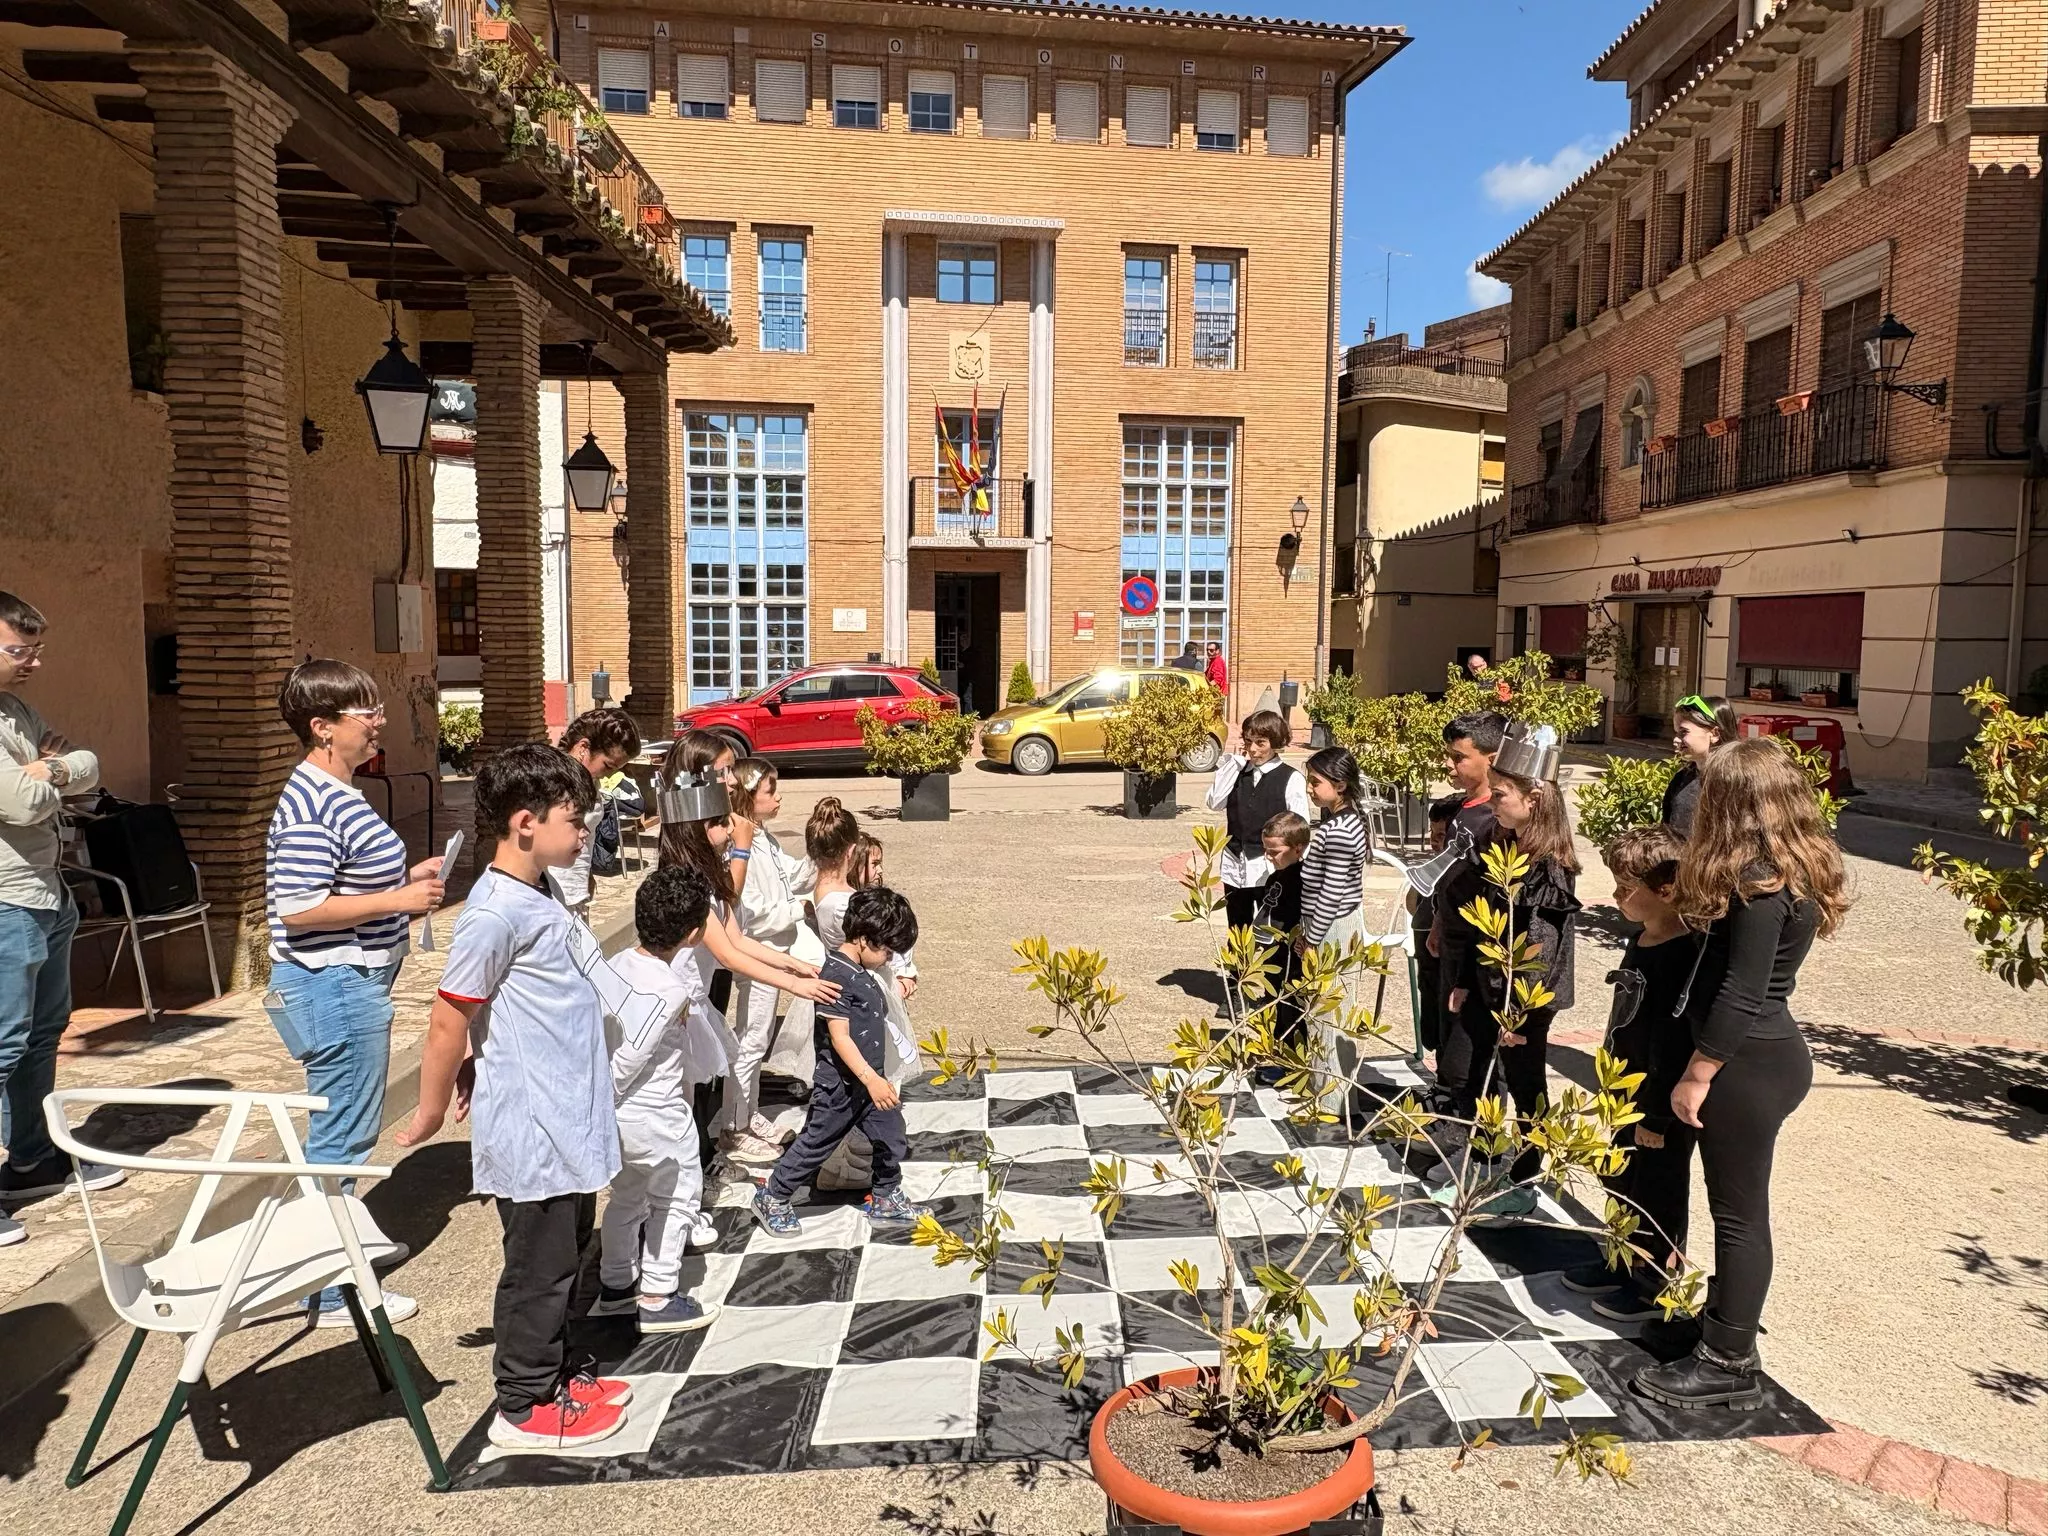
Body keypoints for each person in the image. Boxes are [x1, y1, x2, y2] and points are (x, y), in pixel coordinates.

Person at [397, 743, 630, 1451]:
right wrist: (431, 1107)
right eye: (573, 817)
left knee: (569, 1248)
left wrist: (476, 1055)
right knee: (539, 1265)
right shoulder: (493, 913)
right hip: (533, 1126)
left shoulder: (541, 891)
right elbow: (448, 1015)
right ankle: (525, 1401)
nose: (584, 830)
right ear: (525, 823)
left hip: (566, 1110)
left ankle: (557, 1369)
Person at [1633, 737, 1848, 1410]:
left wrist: (1698, 1073)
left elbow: (1743, 992)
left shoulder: (1763, 882)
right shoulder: (1788, 869)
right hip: (1758, 1056)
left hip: (1746, 1061)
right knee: (1735, 1208)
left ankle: (1729, 1358)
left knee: (1738, 1215)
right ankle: (1718, 1330)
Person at [264, 659, 443, 1322]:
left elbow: (342, 886)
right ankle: (326, 1287)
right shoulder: (314, 801)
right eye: (363, 712)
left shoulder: (336, 790)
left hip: (345, 980)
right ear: (321, 726)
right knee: (341, 1138)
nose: (378, 721)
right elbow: (300, 907)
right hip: (333, 984)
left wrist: (405, 884)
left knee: (342, 1132)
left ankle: (337, 1254)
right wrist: (399, 896)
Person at [0, 591, 121, 1248]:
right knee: (1, 1044)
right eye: (21, 651)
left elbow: (87, 768)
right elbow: (19, 803)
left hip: (48, 892)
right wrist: (51, 772)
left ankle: (31, 1159)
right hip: (4, 900)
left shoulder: (16, 711)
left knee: (42, 1035)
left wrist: (51, 765)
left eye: (36, 650)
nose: (35, 664)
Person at [1430, 723, 1579, 1221]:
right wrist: (1462, 983)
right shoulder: (1500, 841)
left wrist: (1519, 1012)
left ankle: (1527, 1172)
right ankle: (1486, 1161)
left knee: (1524, 1084)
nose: (1492, 802)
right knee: (1475, 1073)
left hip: (1523, 1001)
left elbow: (1542, 947)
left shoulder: (1548, 865)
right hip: (1486, 984)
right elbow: (1477, 920)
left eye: (1501, 795)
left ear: (1534, 798)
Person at [656, 766, 838, 1167]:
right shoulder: (691, 884)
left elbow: (738, 939)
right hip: (670, 1005)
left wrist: (792, 965)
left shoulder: (711, 878)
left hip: (690, 1002)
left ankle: (693, 1177)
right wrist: (795, 984)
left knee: (685, 1097)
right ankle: (723, 1140)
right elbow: (728, 954)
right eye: (720, 823)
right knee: (673, 1100)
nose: (731, 827)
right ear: (698, 832)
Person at [1564, 825, 1699, 1321]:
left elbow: (1674, 1039)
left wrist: (1659, 1116)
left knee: (1657, 1189)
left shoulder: (1684, 953)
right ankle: (1622, 1259)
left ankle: (1654, 1282)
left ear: (1666, 890)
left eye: (1626, 888)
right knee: (1620, 1178)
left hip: (1657, 1098)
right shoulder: (1642, 937)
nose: (1617, 896)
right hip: (1625, 1087)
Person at [591, 864, 725, 1335]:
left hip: (624, 1120)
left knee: (626, 1197)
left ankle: (614, 1284)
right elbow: (632, 1055)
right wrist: (605, 1095)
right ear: (692, 935)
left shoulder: (618, 963)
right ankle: (658, 1292)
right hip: (656, 1113)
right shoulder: (669, 990)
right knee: (677, 1197)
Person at [754, 887, 926, 1238]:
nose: (890, 958)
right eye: (886, 949)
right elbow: (840, 1037)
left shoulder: (861, 971)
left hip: (869, 1081)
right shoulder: (837, 975)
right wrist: (870, 1078)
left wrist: (876, 1078)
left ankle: (886, 1195)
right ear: (863, 939)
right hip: (842, 1086)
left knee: (892, 1135)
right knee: (817, 1143)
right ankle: (774, 1195)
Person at [724, 758, 815, 1155]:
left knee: (757, 1038)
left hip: (776, 952)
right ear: (749, 797)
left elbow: (792, 876)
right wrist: (801, 909)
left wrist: (821, 851)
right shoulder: (742, 845)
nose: (777, 798)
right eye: (769, 791)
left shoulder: (764, 837)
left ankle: (747, 1111)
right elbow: (753, 911)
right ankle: (734, 1125)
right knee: (751, 1039)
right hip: (760, 954)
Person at [1428, 712, 1507, 1112]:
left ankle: (1476, 1132)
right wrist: (1440, 922)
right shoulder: (1463, 809)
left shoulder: (1497, 818)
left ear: (1490, 758)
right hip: (1452, 940)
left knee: (1472, 1043)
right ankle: (1449, 1107)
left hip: (1479, 952)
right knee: (1447, 1032)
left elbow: (1494, 897)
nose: (1450, 764)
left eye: (1459, 757)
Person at [1205, 711, 1313, 936]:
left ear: (1275, 743)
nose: (1252, 749)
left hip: (1270, 867)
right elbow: (1215, 803)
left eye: (1260, 743)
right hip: (1236, 862)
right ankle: (1238, 972)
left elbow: (1301, 828)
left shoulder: (1291, 779)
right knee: (1237, 931)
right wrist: (1230, 769)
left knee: (1274, 930)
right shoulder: (1237, 773)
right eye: (1248, 742)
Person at [554, 708, 643, 920]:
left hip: (577, 889)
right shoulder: (554, 782)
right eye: (608, 766)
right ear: (583, 747)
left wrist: (587, 873)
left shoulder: (590, 782)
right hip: (553, 891)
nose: (611, 774)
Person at [1254, 810, 1310, 1073]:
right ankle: (1279, 1056)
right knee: (1273, 1003)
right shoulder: (1275, 878)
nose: (1269, 856)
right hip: (1272, 954)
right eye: (1266, 849)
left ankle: (1294, 1062)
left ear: (1298, 849)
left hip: (1292, 955)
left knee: (1291, 1008)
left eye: (1275, 851)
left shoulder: (1305, 879)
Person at [1662, 694, 1740, 835]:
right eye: (1676, 732)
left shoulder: (1736, 782)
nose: (1676, 740)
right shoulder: (1681, 779)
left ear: (1715, 733)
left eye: (1683, 732)